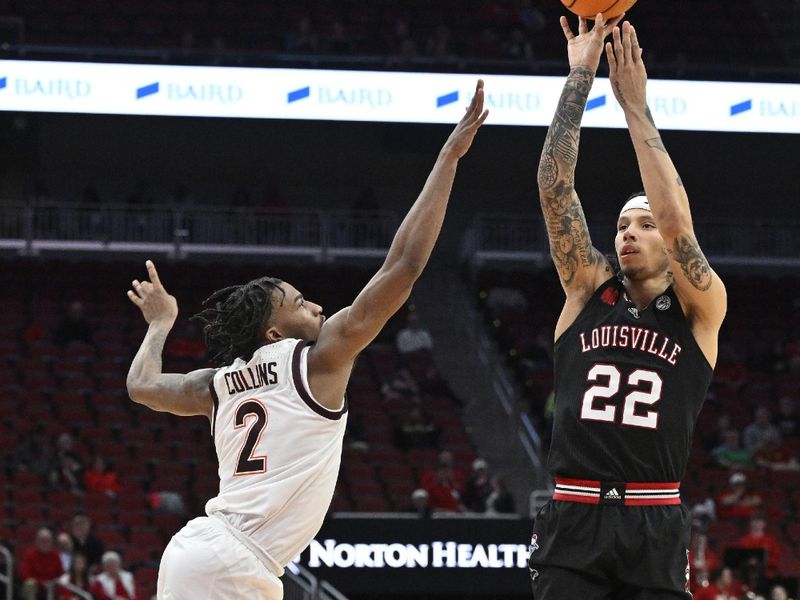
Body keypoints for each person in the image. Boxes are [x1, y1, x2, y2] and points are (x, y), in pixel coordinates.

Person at [125, 82, 488, 600]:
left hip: (214, 555)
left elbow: (141, 386)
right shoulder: (318, 362)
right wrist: (449, 157)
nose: (316, 305)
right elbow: (404, 266)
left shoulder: (218, 385)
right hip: (233, 559)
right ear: (273, 333)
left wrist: (160, 324)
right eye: (298, 302)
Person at [528, 15, 727, 599]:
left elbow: (676, 218)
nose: (627, 233)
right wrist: (581, 75)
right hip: (573, 515)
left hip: (653, 520)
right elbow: (553, 187)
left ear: (669, 242)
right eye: (620, 224)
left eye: (642, 224)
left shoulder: (700, 308)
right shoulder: (587, 289)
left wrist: (635, 108)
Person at [18, 527, 64, 600]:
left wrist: (52, 583)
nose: (45, 543)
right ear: (37, 541)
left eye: (47, 541)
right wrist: (42, 582)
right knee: (30, 583)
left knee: (63, 585)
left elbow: (60, 574)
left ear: (51, 542)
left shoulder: (56, 555)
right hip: (36, 585)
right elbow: (24, 575)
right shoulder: (29, 554)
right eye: (42, 540)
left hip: (52, 585)